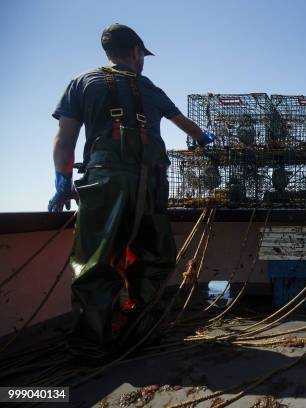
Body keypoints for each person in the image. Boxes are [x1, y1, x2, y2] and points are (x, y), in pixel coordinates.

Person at [49, 23, 214, 360]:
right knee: (154, 256)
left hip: (105, 183)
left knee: (95, 261)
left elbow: (64, 139)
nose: (143, 61)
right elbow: (186, 124)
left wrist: (62, 181)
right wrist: (203, 139)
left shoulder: (82, 83)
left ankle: (91, 344)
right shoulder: (150, 87)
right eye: (143, 55)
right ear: (136, 51)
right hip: (150, 183)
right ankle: (142, 331)